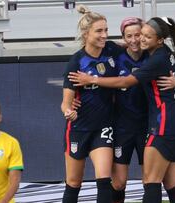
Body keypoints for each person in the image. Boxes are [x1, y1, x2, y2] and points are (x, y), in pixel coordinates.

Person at [68, 17, 175, 203]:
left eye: (144, 36)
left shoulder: (154, 58)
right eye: (133, 36)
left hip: (160, 125)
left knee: (151, 182)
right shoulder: (159, 51)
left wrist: (91, 80)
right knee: (171, 182)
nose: (138, 40)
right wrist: (75, 100)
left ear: (159, 40)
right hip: (167, 124)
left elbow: (126, 81)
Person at [60, 4, 121, 203]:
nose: (104, 35)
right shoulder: (76, 62)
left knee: (104, 179)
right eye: (99, 31)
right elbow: (65, 104)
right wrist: (69, 112)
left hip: (103, 126)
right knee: (73, 183)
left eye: (106, 30)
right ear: (86, 34)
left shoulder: (110, 49)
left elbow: (131, 45)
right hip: (79, 128)